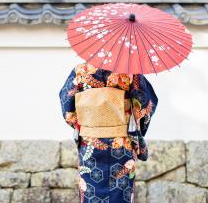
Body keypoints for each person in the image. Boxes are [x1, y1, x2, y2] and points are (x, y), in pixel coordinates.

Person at [59, 62, 158, 203]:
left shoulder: (80, 71)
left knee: (90, 191)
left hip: (89, 142)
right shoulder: (130, 71)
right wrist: (136, 128)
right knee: (121, 191)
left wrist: (87, 125)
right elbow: (146, 103)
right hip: (121, 142)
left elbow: (67, 107)